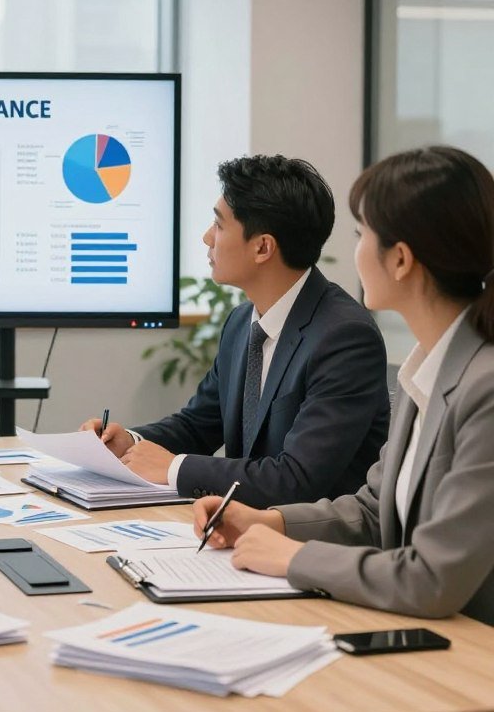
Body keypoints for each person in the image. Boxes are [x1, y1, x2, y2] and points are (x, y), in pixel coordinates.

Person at [196, 146, 494, 712]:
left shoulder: (485, 386)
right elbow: (370, 507)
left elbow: (433, 577)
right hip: (426, 663)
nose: (352, 252)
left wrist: (290, 557)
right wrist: (267, 520)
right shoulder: (429, 366)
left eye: (362, 234)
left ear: (400, 259)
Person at [81, 154, 389, 508]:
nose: (206, 238)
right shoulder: (242, 322)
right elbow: (198, 425)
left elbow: (296, 480)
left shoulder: (345, 338)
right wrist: (130, 442)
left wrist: (173, 468)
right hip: (241, 527)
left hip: (306, 536)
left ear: (262, 247)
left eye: (219, 225)